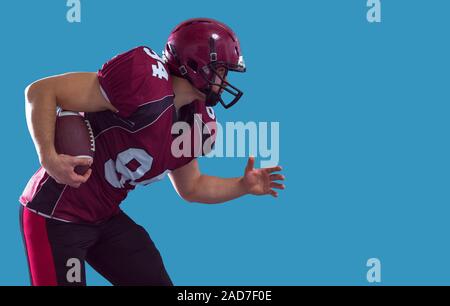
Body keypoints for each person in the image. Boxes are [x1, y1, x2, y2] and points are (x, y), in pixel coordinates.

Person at [19, 18, 285, 286]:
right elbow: (41, 91)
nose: (225, 79)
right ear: (197, 66)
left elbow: (192, 186)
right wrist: (49, 158)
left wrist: (242, 185)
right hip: (55, 213)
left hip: (104, 216)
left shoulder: (197, 122)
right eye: (221, 70)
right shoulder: (143, 80)